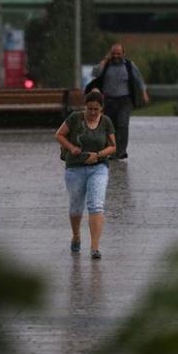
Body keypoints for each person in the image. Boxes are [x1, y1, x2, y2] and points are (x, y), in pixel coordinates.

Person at [55, 90, 117, 259]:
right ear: (85, 107)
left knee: (96, 205)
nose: (92, 112)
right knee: (76, 206)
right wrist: (71, 148)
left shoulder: (106, 122)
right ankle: (76, 236)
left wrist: (98, 155)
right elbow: (59, 134)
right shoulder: (75, 118)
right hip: (75, 168)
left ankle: (95, 247)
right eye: (89, 108)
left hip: (99, 167)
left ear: (101, 109)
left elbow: (113, 146)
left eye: (96, 109)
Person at [85, 43, 149, 161]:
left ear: (123, 54)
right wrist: (105, 60)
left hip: (125, 100)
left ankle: (121, 151)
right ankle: (112, 151)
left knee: (123, 125)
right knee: (110, 127)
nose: (116, 56)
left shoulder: (129, 65)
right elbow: (95, 73)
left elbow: (139, 79)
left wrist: (144, 92)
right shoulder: (106, 64)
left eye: (118, 54)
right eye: (113, 53)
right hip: (109, 100)